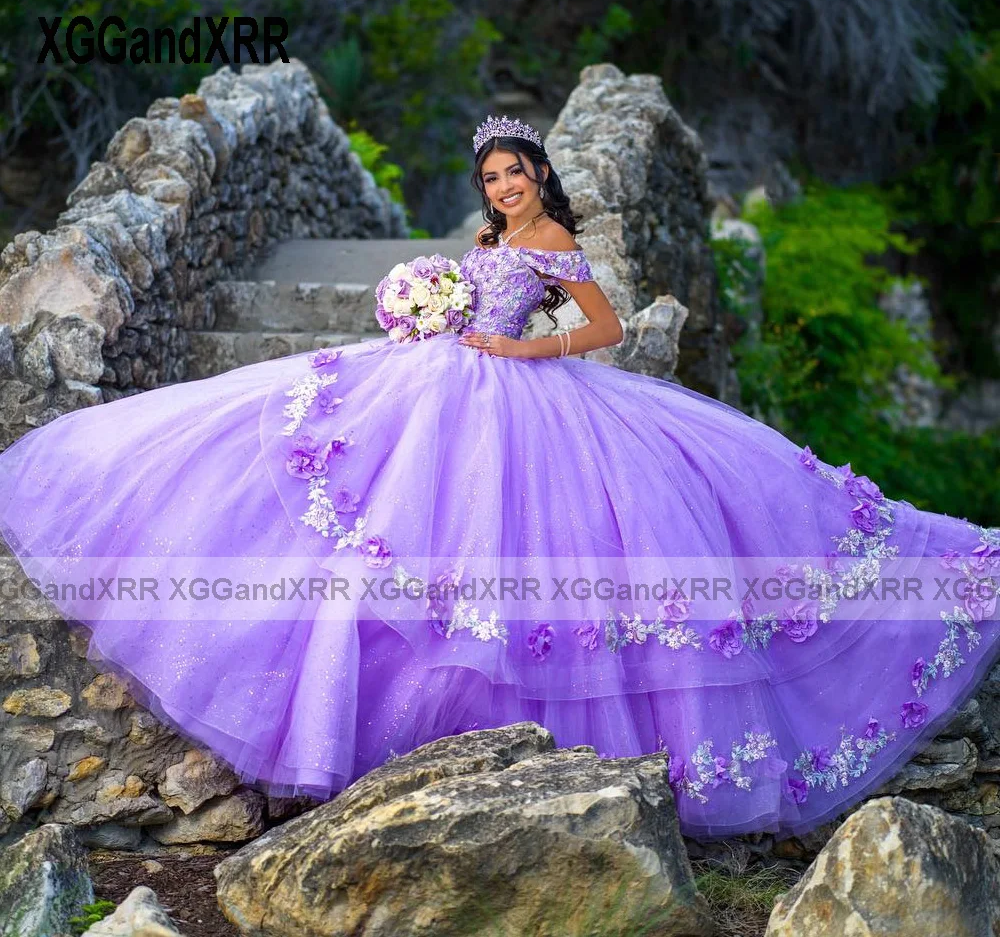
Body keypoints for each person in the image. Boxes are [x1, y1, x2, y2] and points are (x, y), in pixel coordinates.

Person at [0, 114, 997, 843]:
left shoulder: (555, 243)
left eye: (516, 172)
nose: (504, 185)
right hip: (437, 386)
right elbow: (461, 301)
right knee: (357, 509)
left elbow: (600, 330)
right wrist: (424, 317)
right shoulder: (482, 241)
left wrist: (509, 349)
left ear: (539, 177)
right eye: (492, 173)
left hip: (523, 398)